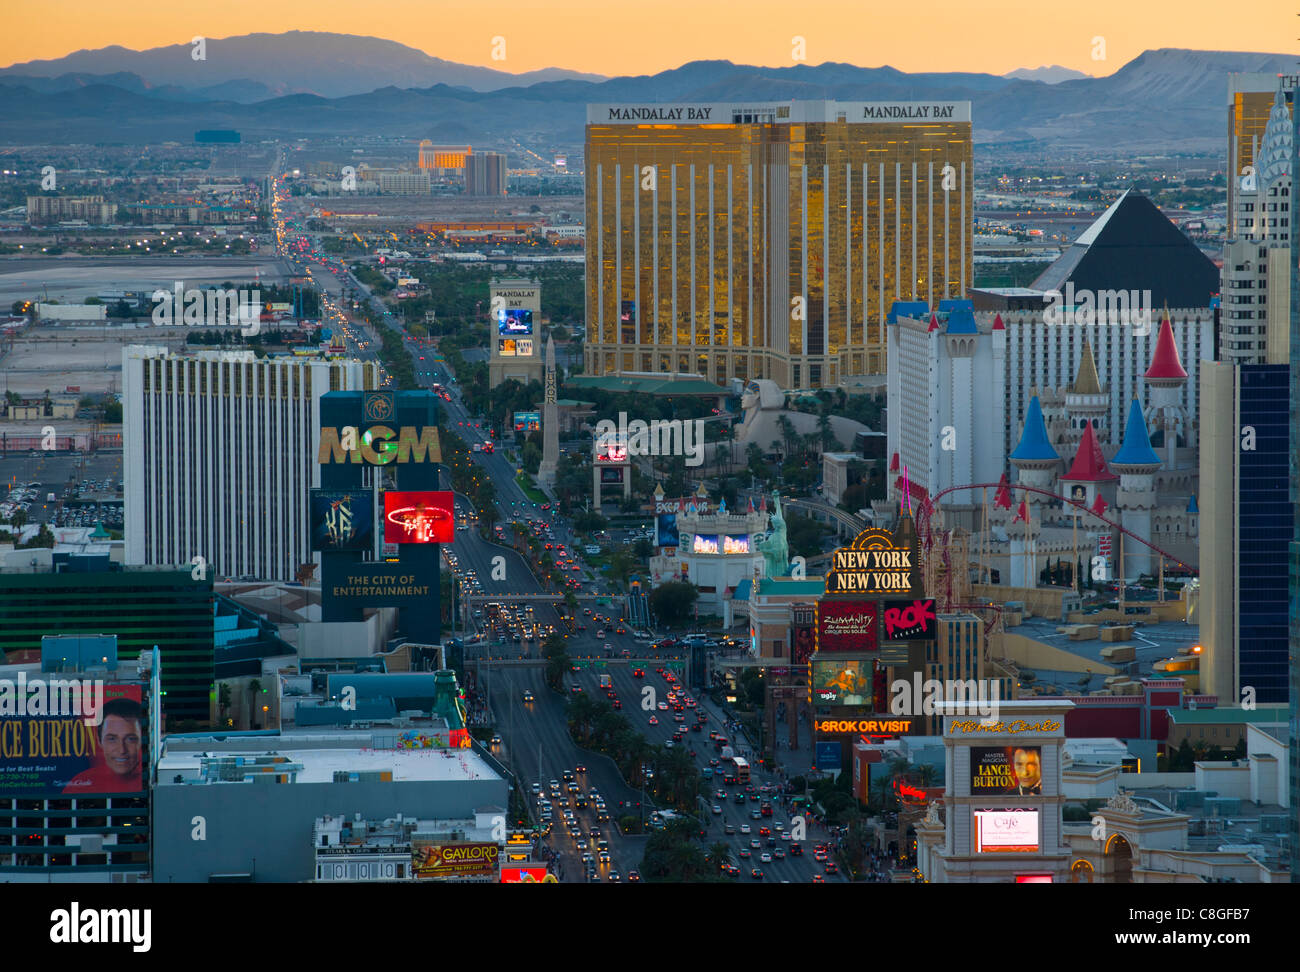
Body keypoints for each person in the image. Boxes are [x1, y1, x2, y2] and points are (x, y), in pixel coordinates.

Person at [63, 697, 144, 794]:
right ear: (99, 740)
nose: (122, 750)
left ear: (141, 740)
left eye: (130, 739)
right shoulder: (80, 783)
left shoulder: (148, 781)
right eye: (112, 739)